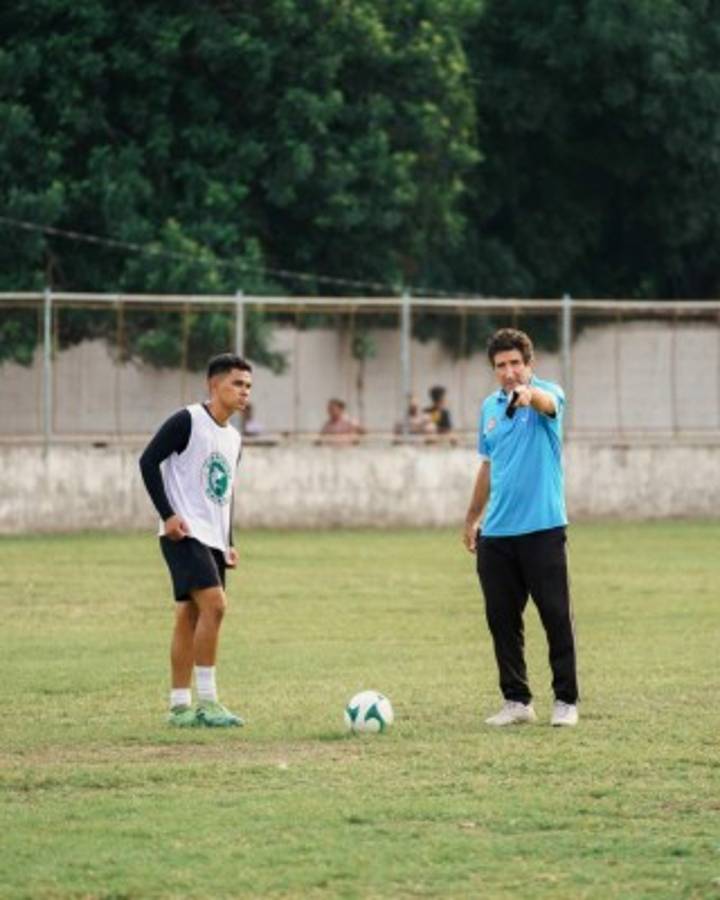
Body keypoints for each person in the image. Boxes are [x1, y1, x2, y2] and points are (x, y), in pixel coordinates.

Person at [462, 328, 579, 728]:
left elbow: (549, 405)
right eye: (501, 365)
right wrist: (472, 518)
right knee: (502, 620)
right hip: (497, 534)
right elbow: (488, 465)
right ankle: (517, 701)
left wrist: (532, 397)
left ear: (529, 365)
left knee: (555, 615)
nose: (509, 372)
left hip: (543, 528)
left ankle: (565, 700)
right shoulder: (489, 409)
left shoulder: (548, 394)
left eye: (515, 363)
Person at [139, 352, 252, 727]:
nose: (244, 392)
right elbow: (147, 461)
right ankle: (208, 702)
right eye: (237, 383)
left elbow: (226, 492)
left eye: (248, 386)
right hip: (184, 534)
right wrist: (168, 514)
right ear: (213, 384)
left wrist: (229, 539)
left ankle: (178, 707)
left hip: (213, 539)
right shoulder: (188, 420)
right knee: (216, 607)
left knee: (190, 615)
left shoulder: (234, 439)